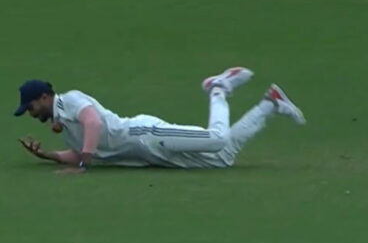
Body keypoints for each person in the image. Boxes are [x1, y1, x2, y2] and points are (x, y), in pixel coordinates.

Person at [14, 67, 304, 173]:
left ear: (44, 97)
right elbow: (82, 151)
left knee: (217, 138)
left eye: (31, 106)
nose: (30, 113)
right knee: (222, 158)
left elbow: (94, 123)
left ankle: (219, 88)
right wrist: (47, 155)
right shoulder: (65, 126)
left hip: (147, 135)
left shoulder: (71, 99)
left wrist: (83, 165)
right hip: (150, 156)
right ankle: (270, 104)